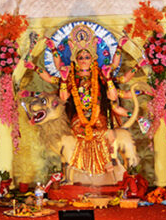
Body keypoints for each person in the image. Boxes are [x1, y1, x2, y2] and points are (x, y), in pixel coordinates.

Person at [28, 24, 131, 177]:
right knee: (76, 136)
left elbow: (113, 93)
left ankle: (107, 168)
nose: (83, 60)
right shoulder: (71, 77)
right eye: (80, 57)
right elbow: (63, 98)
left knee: (103, 134)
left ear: (93, 58)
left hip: (98, 115)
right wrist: (62, 78)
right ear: (75, 59)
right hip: (78, 118)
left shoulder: (100, 74)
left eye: (87, 57)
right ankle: (79, 171)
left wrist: (118, 51)